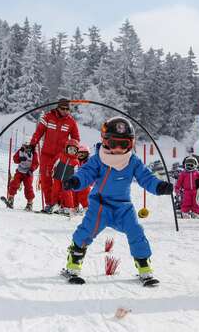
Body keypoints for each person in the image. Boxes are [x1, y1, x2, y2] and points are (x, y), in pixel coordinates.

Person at [60, 116, 174, 286]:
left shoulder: (133, 161)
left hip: (123, 207)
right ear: (105, 142)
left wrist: (159, 187)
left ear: (131, 144)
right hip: (100, 205)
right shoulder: (98, 159)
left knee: (136, 231)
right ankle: (74, 262)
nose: (119, 149)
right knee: (87, 230)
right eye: (114, 144)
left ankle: (143, 265)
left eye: (124, 144)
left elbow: (146, 178)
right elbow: (86, 173)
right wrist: (75, 181)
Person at [30, 98, 80, 213]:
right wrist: (32, 145)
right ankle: (50, 204)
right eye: (63, 108)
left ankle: (62, 205)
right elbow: (38, 132)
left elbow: (76, 139)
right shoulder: (48, 118)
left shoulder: (71, 122)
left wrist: (72, 150)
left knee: (60, 181)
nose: (65, 111)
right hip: (46, 154)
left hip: (61, 156)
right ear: (58, 108)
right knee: (46, 180)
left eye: (67, 109)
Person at [49, 139, 80, 215]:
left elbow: (77, 172)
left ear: (76, 151)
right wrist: (50, 170)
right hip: (57, 177)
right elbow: (53, 163)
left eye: (74, 150)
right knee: (55, 191)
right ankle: (54, 204)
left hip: (67, 181)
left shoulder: (76, 161)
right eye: (70, 149)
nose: (72, 151)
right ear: (66, 148)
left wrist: (75, 180)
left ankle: (69, 208)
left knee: (67, 193)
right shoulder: (60, 156)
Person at [5, 143, 39, 211]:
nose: (26, 148)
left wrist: (31, 170)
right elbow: (15, 159)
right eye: (25, 146)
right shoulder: (21, 151)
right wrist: (20, 159)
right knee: (14, 183)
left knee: (28, 187)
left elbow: (36, 163)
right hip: (20, 171)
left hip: (28, 173)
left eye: (27, 147)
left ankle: (30, 203)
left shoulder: (34, 154)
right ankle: (11, 199)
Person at [73, 143, 91, 214]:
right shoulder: (75, 161)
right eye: (79, 154)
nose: (81, 156)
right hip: (75, 182)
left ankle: (86, 207)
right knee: (73, 193)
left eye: (83, 154)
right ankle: (74, 206)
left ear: (87, 154)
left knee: (83, 194)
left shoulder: (89, 163)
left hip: (85, 183)